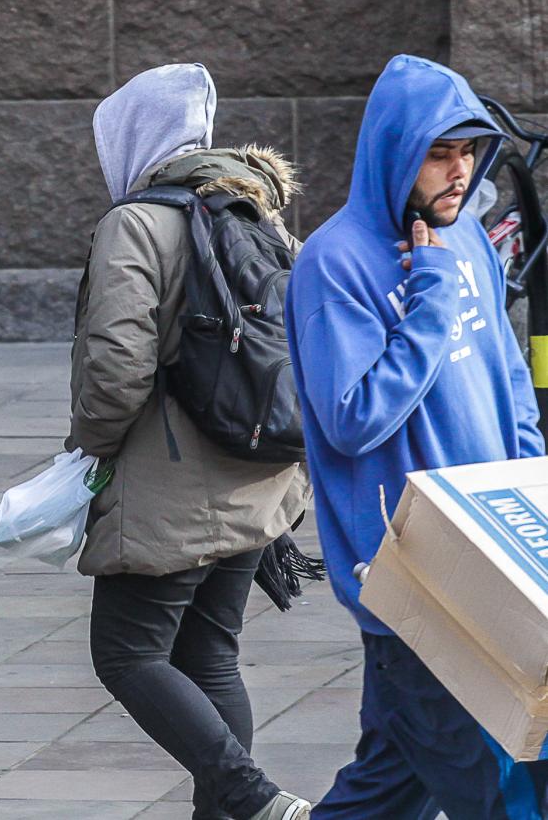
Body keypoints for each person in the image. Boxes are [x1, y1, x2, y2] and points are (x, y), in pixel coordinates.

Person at [286, 53, 548, 818]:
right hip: (417, 575)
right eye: (439, 152)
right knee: (499, 794)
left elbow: (505, 383)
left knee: (390, 785)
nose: (458, 171)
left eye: (468, 151)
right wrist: (428, 301)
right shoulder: (335, 263)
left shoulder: (463, 237)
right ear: (396, 152)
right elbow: (352, 416)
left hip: (495, 559)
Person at [71, 63, 314, 820]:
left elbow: (115, 365)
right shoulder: (256, 210)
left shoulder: (138, 222)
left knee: (127, 653)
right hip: (260, 472)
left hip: (171, 486)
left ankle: (253, 798)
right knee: (209, 656)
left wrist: (90, 448)